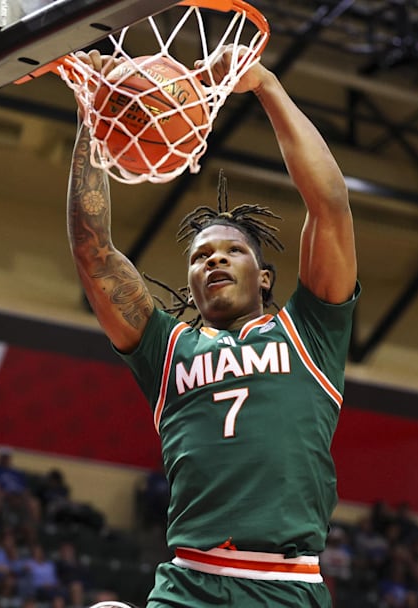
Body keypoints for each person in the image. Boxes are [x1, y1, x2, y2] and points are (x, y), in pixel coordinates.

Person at [65, 44, 358, 607]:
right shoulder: (167, 351)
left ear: (266, 277)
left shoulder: (311, 333)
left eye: (231, 251)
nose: (214, 260)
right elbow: (94, 252)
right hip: (190, 582)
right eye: (201, 257)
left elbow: (331, 206)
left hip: (285, 586)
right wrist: (92, 117)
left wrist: (267, 86)